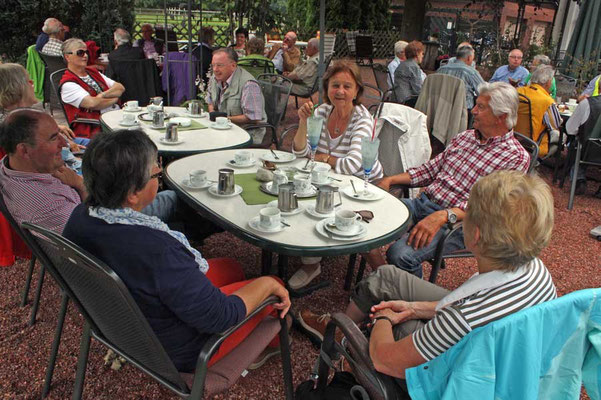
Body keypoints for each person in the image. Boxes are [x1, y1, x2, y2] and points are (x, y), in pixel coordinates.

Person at [301, 170, 556, 388]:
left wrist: (383, 318)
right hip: (499, 356)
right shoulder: (536, 270)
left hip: (453, 380)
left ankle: (352, 345)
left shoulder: (460, 320)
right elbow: (473, 305)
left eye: (469, 210)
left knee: (396, 330)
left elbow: (384, 359)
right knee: (386, 277)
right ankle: (343, 339)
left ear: (475, 235)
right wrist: (412, 308)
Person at [62, 129, 291, 372]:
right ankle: (265, 346)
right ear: (132, 194)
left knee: (232, 268)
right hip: (180, 349)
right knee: (275, 287)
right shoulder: (156, 249)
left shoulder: (81, 216)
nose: (158, 178)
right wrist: (268, 283)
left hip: (124, 322)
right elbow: (220, 317)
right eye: (155, 174)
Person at [365, 82, 530, 278]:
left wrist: (444, 215)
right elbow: (430, 170)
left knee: (401, 254)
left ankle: (410, 300)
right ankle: (385, 278)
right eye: (476, 105)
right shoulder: (465, 138)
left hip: (461, 224)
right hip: (423, 204)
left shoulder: (515, 158)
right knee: (366, 221)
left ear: (501, 117)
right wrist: (390, 180)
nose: (473, 111)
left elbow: (489, 206)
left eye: (481, 107)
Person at [0, 109, 178, 234]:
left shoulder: (12, 166)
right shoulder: (48, 206)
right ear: (23, 150)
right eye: (54, 138)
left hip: (101, 196)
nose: (64, 144)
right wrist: (80, 184)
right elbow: (97, 232)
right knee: (176, 197)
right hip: (116, 212)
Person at [290, 60, 384, 290]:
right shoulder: (320, 112)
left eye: (347, 86)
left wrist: (322, 157)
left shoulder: (363, 119)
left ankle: (386, 278)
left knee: (363, 235)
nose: (340, 91)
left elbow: (352, 164)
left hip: (363, 185)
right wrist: (303, 122)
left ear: (357, 91)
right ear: (327, 89)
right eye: (335, 85)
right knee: (298, 198)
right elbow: (300, 152)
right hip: (329, 182)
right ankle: (312, 264)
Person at [60, 38, 125, 139]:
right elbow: (93, 104)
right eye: (80, 53)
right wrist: (115, 99)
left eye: (86, 52)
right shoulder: (68, 84)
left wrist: (103, 95)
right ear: (68, 57)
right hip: (95, 126)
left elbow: (120, 88)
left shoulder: (92, 71)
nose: (85, 56)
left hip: (114, 117)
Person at [206, 48, 267, 145]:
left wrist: (223, 119)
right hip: (224, 130)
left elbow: (253, 117)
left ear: (233, 65)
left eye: (219, 65)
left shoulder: (248, 84)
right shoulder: (215, 79)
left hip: (246, 133)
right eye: (213, 65)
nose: (215, 69)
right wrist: (213, 114)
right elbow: (210, 101)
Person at [515, 65, 562, 158]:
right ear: (548, 82)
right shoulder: (547, 101)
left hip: (512, 135)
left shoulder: (517, 91)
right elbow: (555, 124)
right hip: (532, 141)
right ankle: (536, 161)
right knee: (561, 137)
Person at [566, 82, 601, 196]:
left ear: (598, 88)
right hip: (595, 148)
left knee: (577, 142)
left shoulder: (587, 103)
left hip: (587, 150)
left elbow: (570, 129)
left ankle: (578, 178)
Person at [436, 44, 485, 112]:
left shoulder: (440, 70)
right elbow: (484, 91)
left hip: (440, 108)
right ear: (469, 58)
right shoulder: (470, 72)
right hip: (462, 111)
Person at [393, 40, 425, 107]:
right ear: (417, 54)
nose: (422, 56)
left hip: (396, 97)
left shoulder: (402, 64)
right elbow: (417, 90)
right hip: (407, 100)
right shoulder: (414, 67)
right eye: (422, 53)